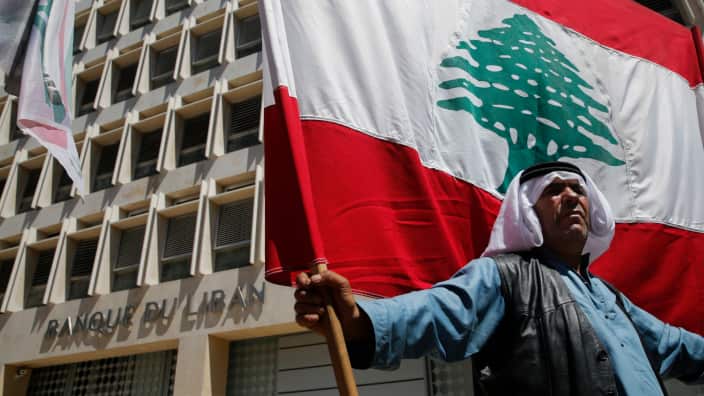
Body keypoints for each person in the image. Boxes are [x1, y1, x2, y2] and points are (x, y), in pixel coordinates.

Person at [294, 161, 704, 395]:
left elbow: (676, 347)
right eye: (554, 190)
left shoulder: (612, 298)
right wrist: (356, 317)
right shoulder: (507, 276)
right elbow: (438, 311)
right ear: (528, 212)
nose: (571, 197)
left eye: (578, 189)